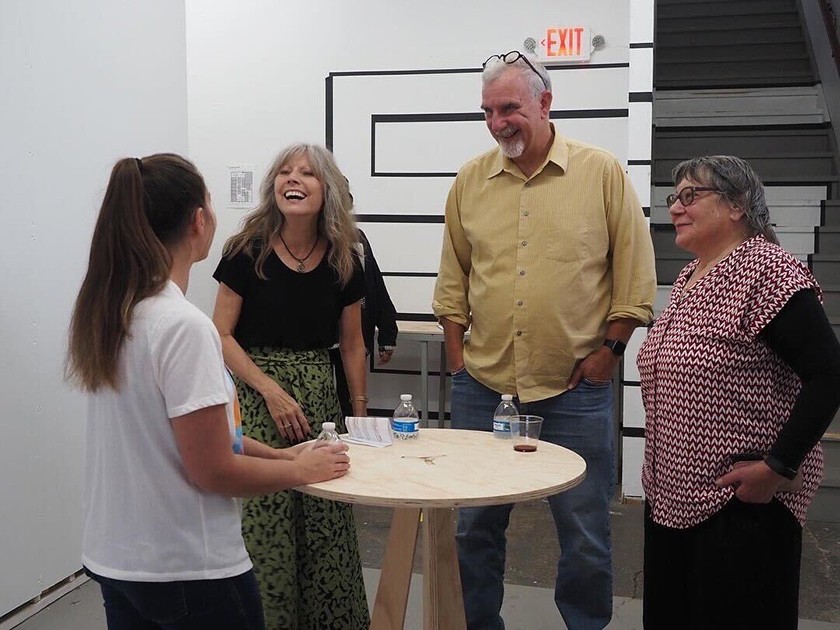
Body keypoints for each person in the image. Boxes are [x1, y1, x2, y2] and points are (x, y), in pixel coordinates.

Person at [66, 153, 351, 629]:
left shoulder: (113, 314)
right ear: (199, 221)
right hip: (186, 570)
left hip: (117, 560)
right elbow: (213, 469)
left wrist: (282, 457)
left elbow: (204, 438)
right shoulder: (183, 326)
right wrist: (300, 472)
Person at [432, 51, 656, 630]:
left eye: (509, 108)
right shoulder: (469, 182)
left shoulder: (601, 172)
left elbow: (635, 276)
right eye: (487, 111)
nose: (497, 122)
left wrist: (610, 352)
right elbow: (453, 280)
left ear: (545, 102)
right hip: (484, 387)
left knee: (583, 529)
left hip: (576, 388)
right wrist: (458, 363)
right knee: (474, 526)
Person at [637, 155, 840, 629]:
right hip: (672, 496)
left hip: (741, 506)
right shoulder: (691, 275)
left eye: (691, 196)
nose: (675, 209)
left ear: (737, 205)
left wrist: (778, 466)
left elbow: (828, 372)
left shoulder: (767, 271)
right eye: (673, 198)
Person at [212, 143, 370, 629]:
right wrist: (269, 389)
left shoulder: (345, 256)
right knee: (267, 523)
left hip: (321, 403)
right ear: (272, 186)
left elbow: (353, 345)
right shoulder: (247, 250)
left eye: (305, 173)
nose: (292, 179)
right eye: (284, 172)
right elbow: (220, 334)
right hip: (260, 401)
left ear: (327, 190)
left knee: (326, 521)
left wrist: (359, 416)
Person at [330, 228, 399, 419]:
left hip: (354, 331)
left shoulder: (354, 238)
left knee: (350, 399)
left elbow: (373, 284)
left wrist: (387, 333)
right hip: (317, 339)